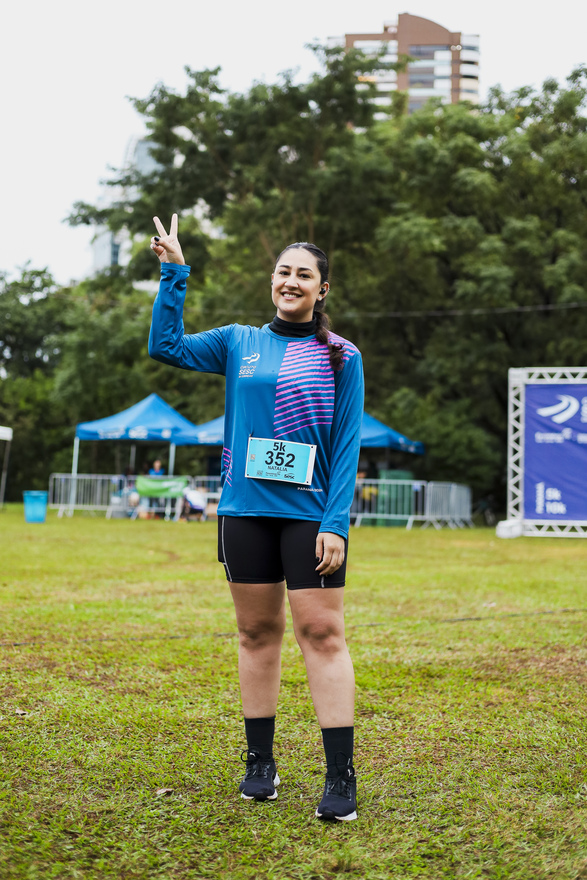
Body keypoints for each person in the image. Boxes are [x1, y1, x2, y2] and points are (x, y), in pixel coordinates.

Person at [148, 214, 364, 822]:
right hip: (244, 512)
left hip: (310, 518)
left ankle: (340, 776)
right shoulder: (239, 342)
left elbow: (346, 445)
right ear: (273, 281)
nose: (291, 282)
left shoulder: (342, 356)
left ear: (322, 289)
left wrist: (336, 521)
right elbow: (166, 346)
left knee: (322, 635)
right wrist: (174, 273)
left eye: (305, 275)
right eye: (283, 272)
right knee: (255, 634)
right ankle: (260, 764)